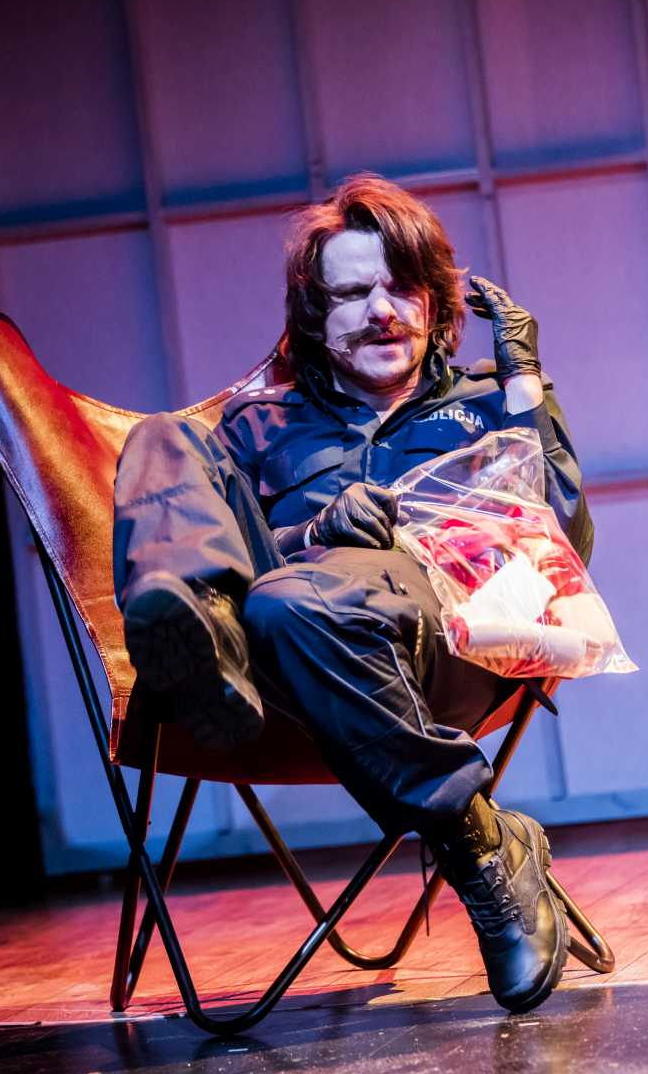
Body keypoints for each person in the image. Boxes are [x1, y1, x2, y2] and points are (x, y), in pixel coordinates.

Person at [112, 174, 592, 1014]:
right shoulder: (261, 424)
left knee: (297, 601)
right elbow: (247, 552)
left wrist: (526, 388)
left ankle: (472, 840)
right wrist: (311, 534)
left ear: (434, 302)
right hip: (280, 666)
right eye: (352, 293)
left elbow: (564, 545)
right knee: (163, 442)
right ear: (315, 314)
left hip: (443, 641)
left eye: (401, 287)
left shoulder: (485, 401)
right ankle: (479, 840)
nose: (381, 311)